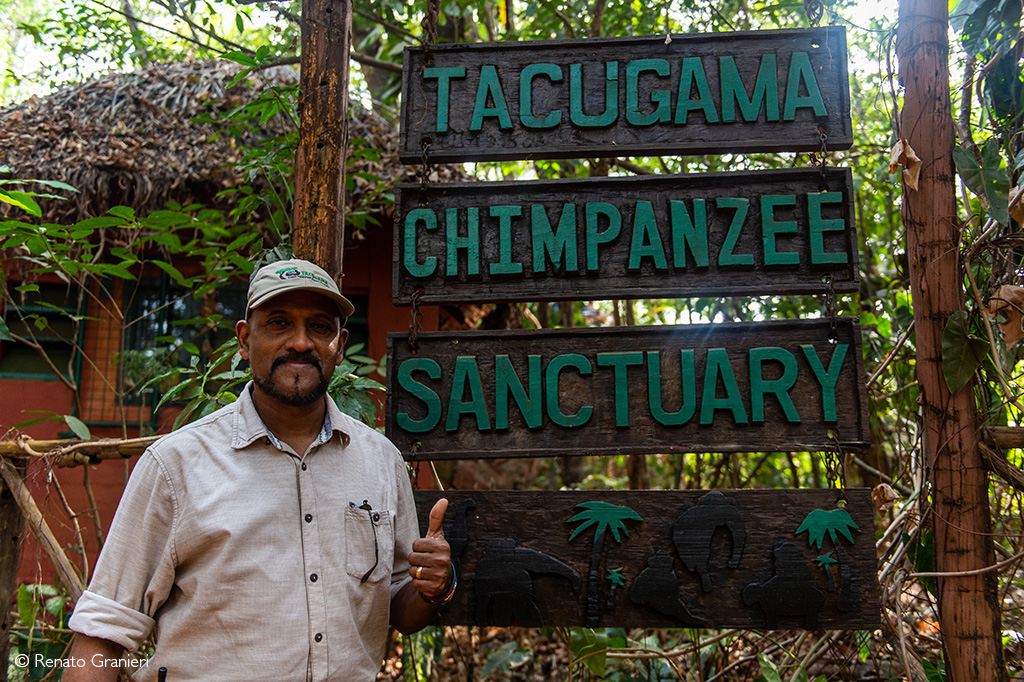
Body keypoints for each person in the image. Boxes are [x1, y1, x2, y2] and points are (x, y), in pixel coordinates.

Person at [64, 259, 453, 682]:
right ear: (245, 340)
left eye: (320, 327)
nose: (301, 343)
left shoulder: (380, 461)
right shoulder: (175, 465)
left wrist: (432, 585)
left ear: (339, 346)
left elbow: (399, 605)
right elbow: (104, 631)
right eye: (279, 323)